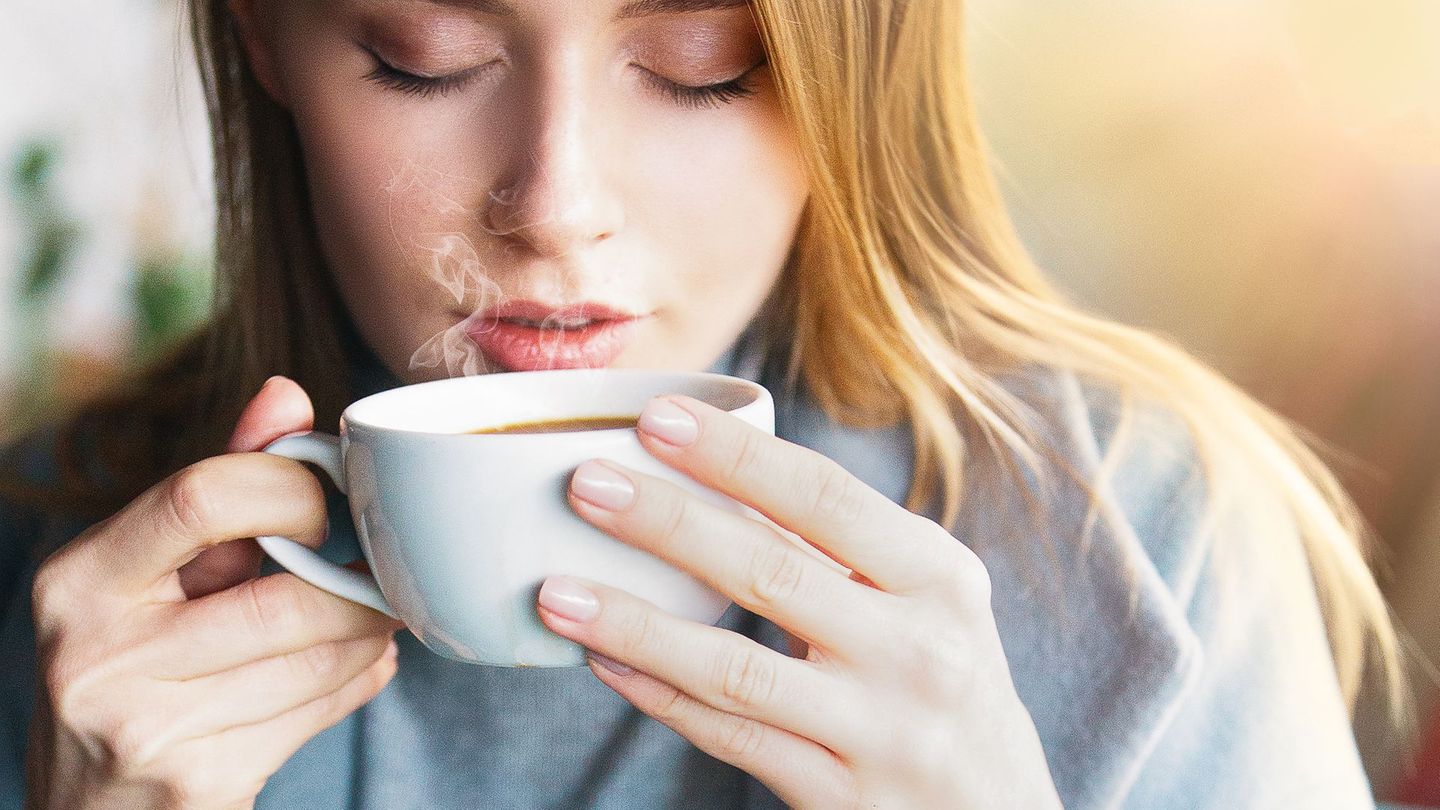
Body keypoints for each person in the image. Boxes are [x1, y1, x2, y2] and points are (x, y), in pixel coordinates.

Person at [0, 0, 1402, 807]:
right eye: (425, 53)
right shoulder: (56, 571)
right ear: (257, 32)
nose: (557, 205)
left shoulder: (1148, 543)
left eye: (701, 61)